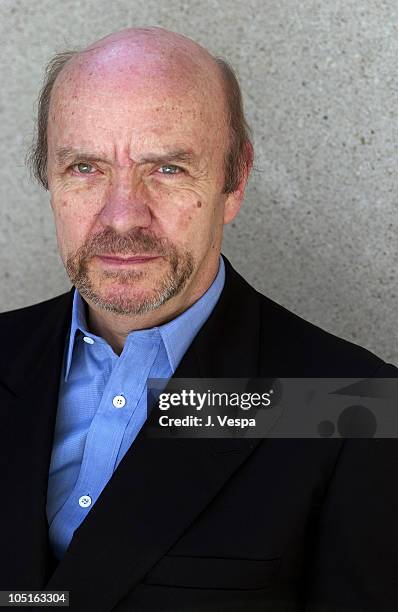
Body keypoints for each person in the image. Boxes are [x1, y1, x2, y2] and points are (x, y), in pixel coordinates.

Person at [0, 26, 397, 612]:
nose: (123, 217)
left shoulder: (349, 403)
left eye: (167, 168)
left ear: (234, 182)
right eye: (85, 167)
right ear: (49, 178)